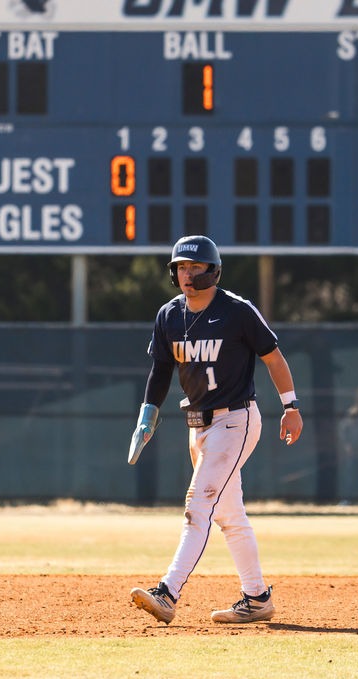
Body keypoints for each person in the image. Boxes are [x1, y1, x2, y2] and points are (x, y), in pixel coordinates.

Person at [127, 234, 303, 625]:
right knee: (229, 514)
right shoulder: (169, 315)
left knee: (198, 505)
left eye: (195, 267)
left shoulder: (237, 310)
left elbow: (274, 358)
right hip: (199, 425)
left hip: (236, 420)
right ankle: (257, 598)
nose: (187, 274)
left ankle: (167, 593)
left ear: (214, 271)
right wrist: (147, 415)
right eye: (180, 267)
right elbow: (161, 370)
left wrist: (290, 406)